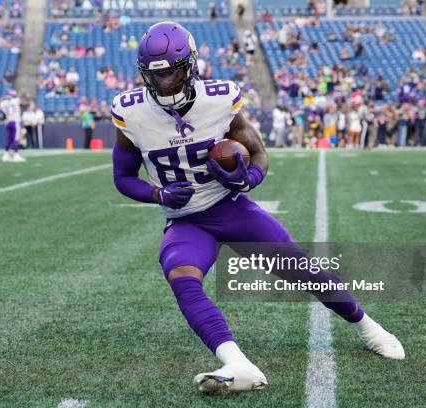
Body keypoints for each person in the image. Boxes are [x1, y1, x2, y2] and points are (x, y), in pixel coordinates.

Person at [111, 22, 404, 395]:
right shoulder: (130, 111)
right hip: (186, 220)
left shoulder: (220, 99)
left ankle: (369, 327)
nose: (166, 82)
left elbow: (260, 155)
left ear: (192, 64)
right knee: (180, 275)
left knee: (301, 269)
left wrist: (247, 180)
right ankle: (236, 361)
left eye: (173, 71)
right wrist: (158, 195)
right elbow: (123, 178)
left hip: (230, 207)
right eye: (157, 75)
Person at [0, 90, 26, 162]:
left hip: (8, 122)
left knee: (9, 139)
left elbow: (2, 111)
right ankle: (16, 155)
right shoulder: (15, 100)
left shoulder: (4, 103)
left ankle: (5, 155)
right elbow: (22, 97)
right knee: (16, 139)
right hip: (15, 122)